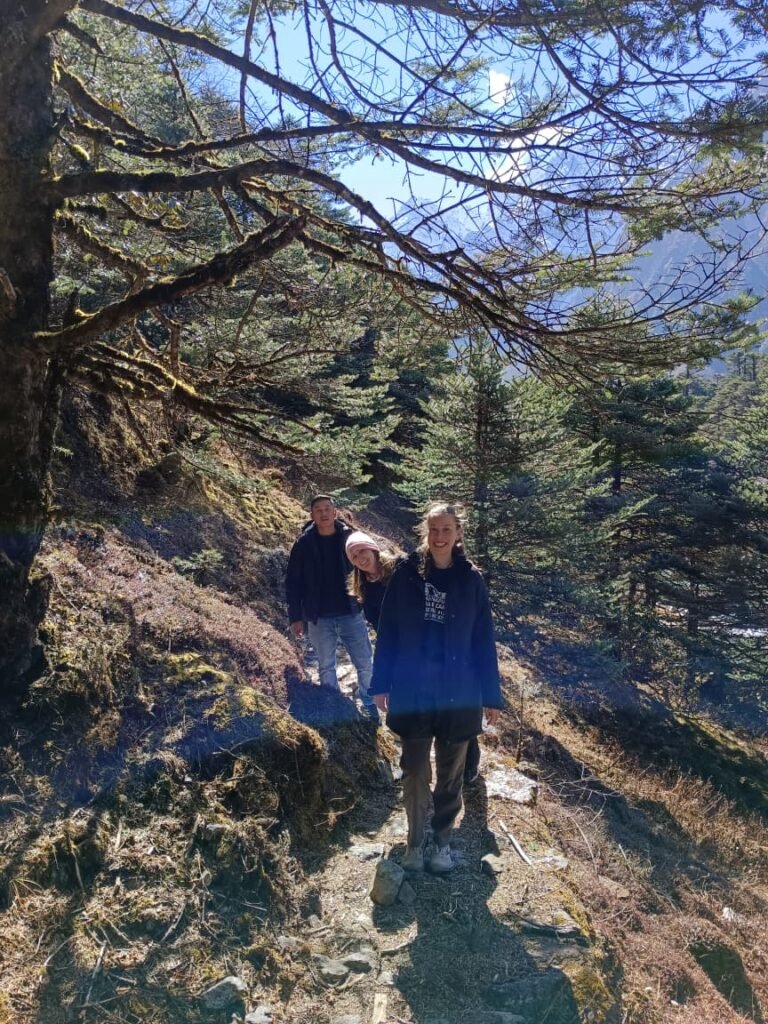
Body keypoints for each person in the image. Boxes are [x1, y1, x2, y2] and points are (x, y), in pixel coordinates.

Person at [369, 503, 502, 873]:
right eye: (434, 530)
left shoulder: (471, 579)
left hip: (460, 692)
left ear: (458, 533)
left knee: (450, 775)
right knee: (414, 770)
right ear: (425, 533)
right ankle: (414, 842)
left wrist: (491, 695)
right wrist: (381, 682)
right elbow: (389, 630)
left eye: (446, 530)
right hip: (413, 689)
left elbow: (483, 640)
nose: (439, 537)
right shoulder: (406, 573)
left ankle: (441, 841)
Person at [348, 527, 484, 786]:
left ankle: (469, 765)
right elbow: (382, 627)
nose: (360, 558)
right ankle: (415, 768)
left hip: (431, 647)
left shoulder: (401, 569)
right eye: (353, 556)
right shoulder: (363, 588)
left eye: (362, 550)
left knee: (456, 709)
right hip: (401, 655)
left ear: (373, 549)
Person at [286, 495, 378, 722]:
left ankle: (370, 705)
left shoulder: (350, 537)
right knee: (326, 666)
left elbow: (369, 568)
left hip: (351, 611)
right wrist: (296, 616)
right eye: (318, 510)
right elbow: (293, 581)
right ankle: (336, 709)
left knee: (365, 663)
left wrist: (372, 604)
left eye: (327, 508)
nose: (324, 513)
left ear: (335, 511)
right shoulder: (303, 543)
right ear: (312, 515)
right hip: (319, 616)